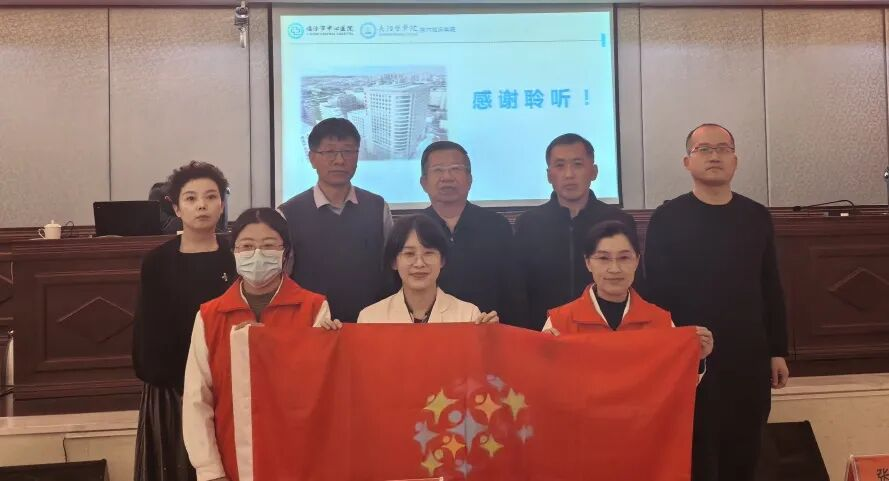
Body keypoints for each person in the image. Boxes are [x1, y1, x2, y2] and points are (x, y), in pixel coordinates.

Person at [641, 123, 789, 481]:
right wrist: (666, 349)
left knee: (745, 447)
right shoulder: (668, 218)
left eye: (723, 149)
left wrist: (777, 351)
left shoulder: (756, 215)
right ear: (687, 162)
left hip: (748, 354)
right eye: (704, 149)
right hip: (690, 356)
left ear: (735, 160)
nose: (714, 156)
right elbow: (655, 292)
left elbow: (770, 285)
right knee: (696, 450)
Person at [182, 208, 334, 481]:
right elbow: (197, 399)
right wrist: (210, 470)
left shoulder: (313, 308)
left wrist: (331, 346)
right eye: (247, 246)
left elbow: (318, 393)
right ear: (234, 252)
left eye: (269, 245)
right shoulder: (210, 316)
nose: (257, 254)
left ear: (285, 252)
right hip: (232, 458)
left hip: (298, 458)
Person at [132, 162, 236, 481]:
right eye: (191, 198)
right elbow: (147, 331)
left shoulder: (235, 256)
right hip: (171, 390)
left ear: (222, 204)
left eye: (211, 197)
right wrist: (181, 384)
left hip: (229, 383)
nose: (201, 205)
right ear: (176, 208)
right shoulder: (157, 261)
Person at [541, 221, 713, 371]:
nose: (614, 269)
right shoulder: (559, 321)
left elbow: (673, 383)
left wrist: (696, 358)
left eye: (624, 258)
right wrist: (544, 356)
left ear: (637, 261)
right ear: (588, 263)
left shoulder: (661, 321)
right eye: (603, 258)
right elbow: (544, 384)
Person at [514, 133, 637, 330]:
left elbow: (633, 282)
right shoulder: (528, 223)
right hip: (543, 332)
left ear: (594, 172)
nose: (569, 174)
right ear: (549, 175)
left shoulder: (618, 221)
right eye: (560, 165)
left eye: (578, 164)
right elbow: (518, 287)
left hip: (603, 330)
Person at [278, 118, 393, 323]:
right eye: (329, 152)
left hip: (370, 324)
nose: (339, 160)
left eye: (348, 151)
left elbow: (391, 268)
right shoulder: (289, 214)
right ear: (312, 158)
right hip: (312, 325)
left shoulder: (377, 207)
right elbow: (283, 281)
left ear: (357, 156)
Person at [317, 215, 498, 326]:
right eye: (409, 254)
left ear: (442, 260)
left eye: (429, 253)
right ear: (394, 262)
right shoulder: (370, 317)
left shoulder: (468, 315)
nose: (419, 263)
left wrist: (489, 335)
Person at [418, 141, 527, 326]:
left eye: (455, 169)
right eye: (438, 170)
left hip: (488, 331)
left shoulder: (496, 226)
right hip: (430, 333)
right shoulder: (414, 229)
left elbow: (513, 290)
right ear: (424, 183)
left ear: (469, 179)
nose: (447, 177)